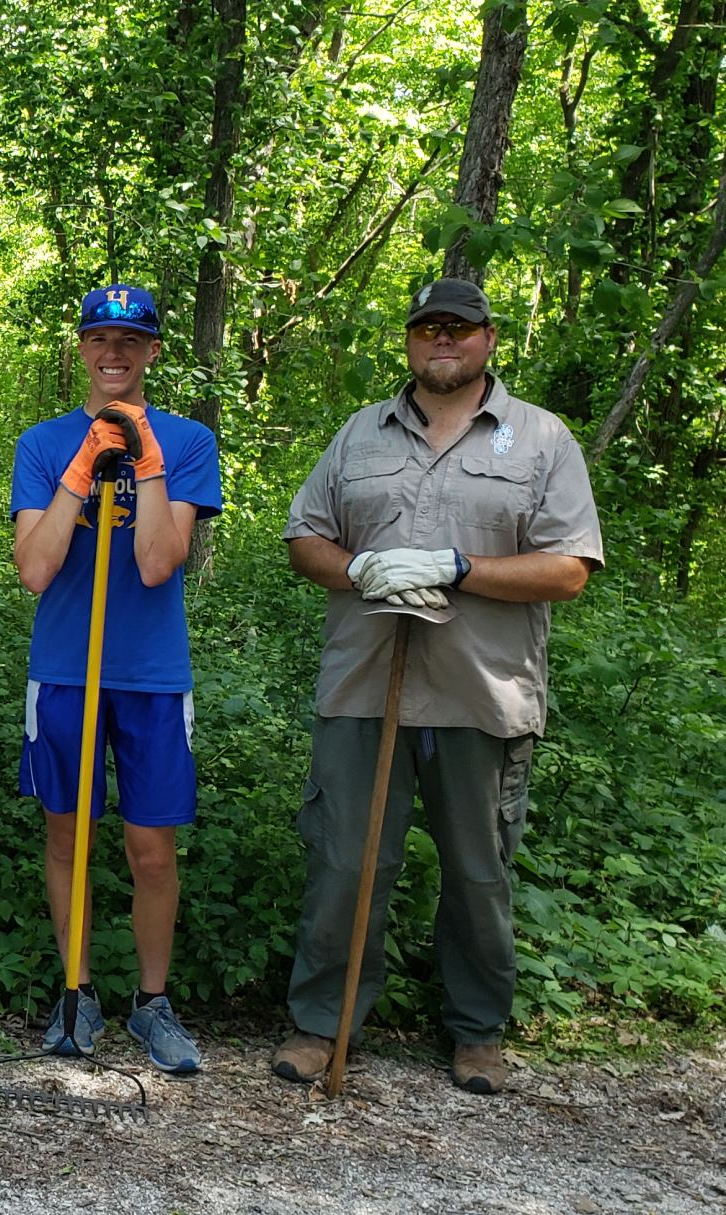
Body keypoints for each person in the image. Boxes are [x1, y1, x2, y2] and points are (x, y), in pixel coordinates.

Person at [271, 277, 603, 1095]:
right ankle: (324, 1022)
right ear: (411, 341)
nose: (442, 340)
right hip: (362, 684)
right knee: (346, 863)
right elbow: (304, 537)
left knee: (478, 870)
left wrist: (461, 568)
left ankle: (477, 1030)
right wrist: (358, 567)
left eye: (459, 327)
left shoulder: (540, 439)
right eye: (428, 328)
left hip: (481, 692)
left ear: (490, 338)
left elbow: (569, 568)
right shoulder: (360, 435)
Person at [8, 284, 222, 1074]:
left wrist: (144, 455)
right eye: (99, 337)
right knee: (69, 832)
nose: (114, 353)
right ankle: (77, 993)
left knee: (151, 847)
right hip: (66, 668)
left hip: (152, 673)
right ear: (81, 347)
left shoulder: (190, 440)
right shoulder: (42, 442)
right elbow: (35, 569)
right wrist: (81, 467)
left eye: (131, 340)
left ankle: (153, 1002)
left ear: (153, 352)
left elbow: (158, 560)